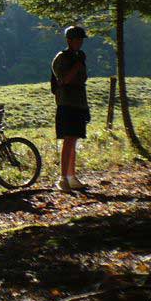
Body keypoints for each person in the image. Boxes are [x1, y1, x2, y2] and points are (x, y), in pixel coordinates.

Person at [52, 26, 91, 191]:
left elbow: (81, 81)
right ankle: (62, 178)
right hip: (66, 103)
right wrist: (77, 65)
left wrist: (85, 106)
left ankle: (71, 176)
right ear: (69, 40)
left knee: (74, 140)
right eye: (77, 40)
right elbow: (64, 80)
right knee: (68, 140)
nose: (80, 43)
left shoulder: (78, 57)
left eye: (81, 40)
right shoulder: (61, 58)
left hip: (78, 103)